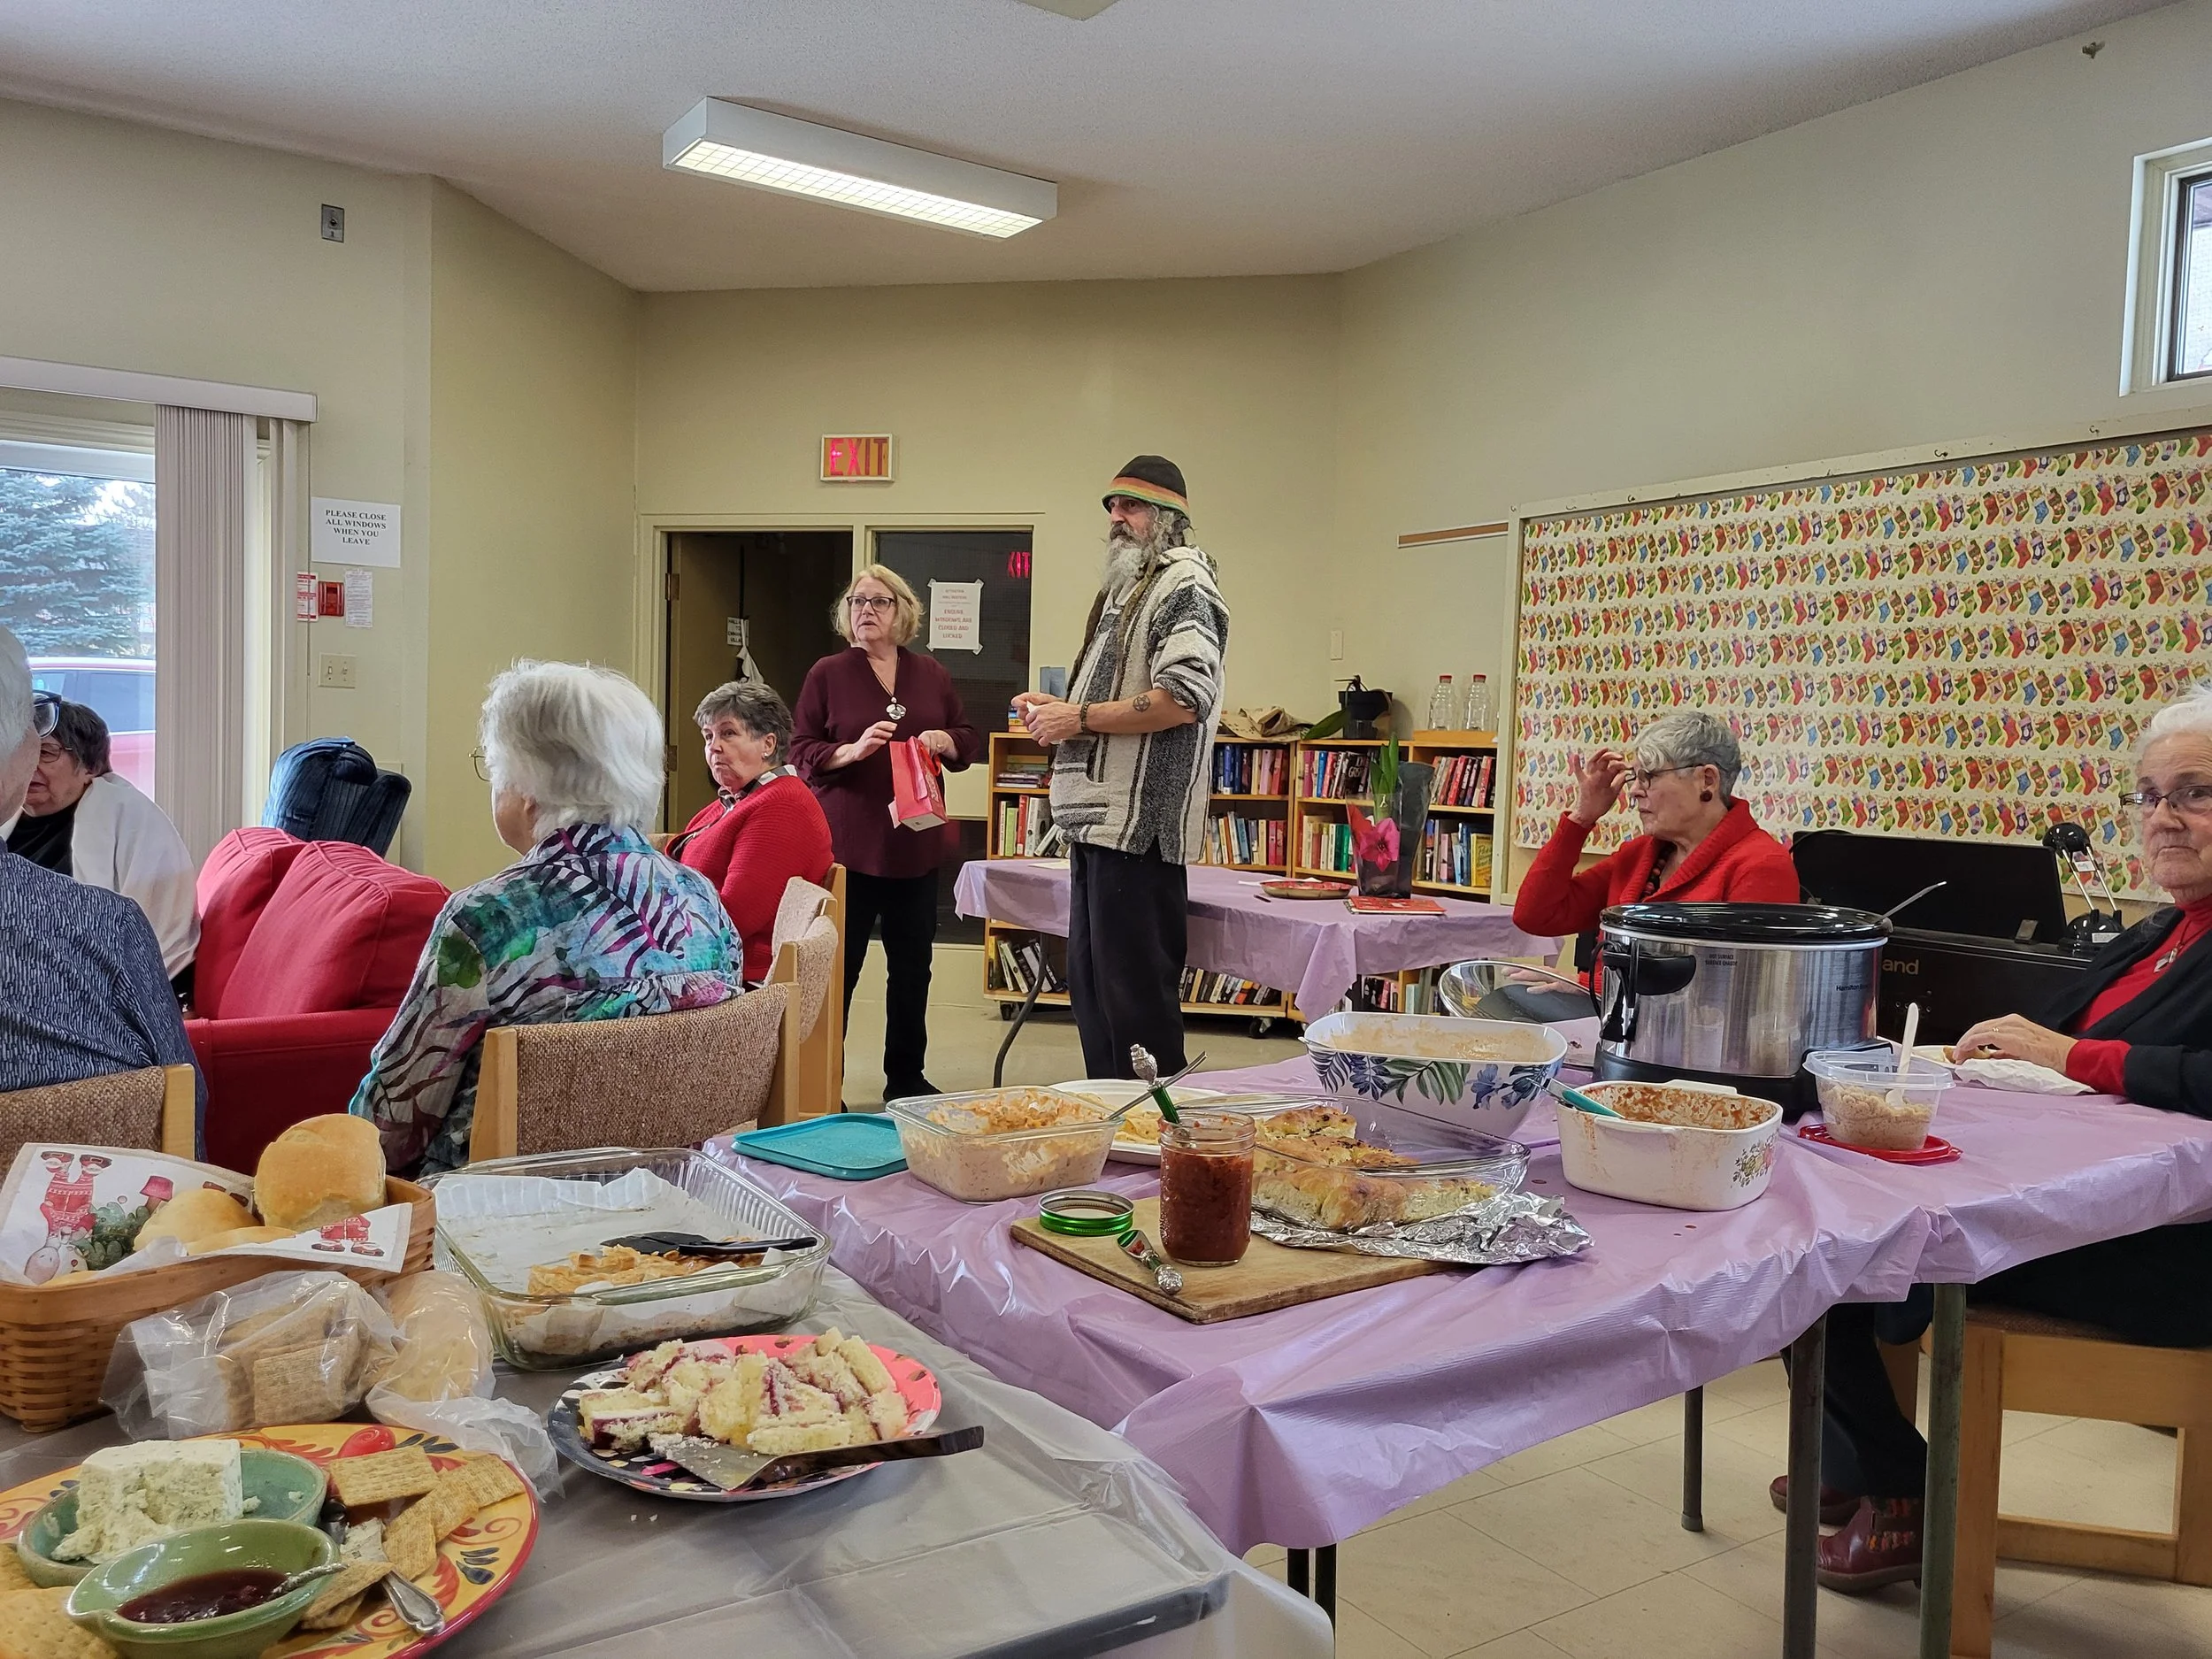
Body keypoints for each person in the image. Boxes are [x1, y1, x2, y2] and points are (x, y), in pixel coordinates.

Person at [1798, 684, 2212, 1592]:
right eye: (2148, 795)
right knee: (1818, 1203)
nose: (2164, 818)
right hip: (2090, 1200)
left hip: (2163, 1247)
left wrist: (2076, 1055)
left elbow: (2116, 1059)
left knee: (1840, 1252)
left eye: (2194, 793)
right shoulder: (2160, 935)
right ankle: (1858, 1462)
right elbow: (2053, 1038)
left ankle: (1898, 1489)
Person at [350, 661, 744, 1179]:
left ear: (527, 784)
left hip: (498, 1217)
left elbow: (393, 1121)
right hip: (671, 1200)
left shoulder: (487, 919)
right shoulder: (702, 900)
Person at [1010, 457, 1228, 1079]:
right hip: (1101, 825)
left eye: (1130, 507)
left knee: (1135, 1010)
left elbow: (1184, 698)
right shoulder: (1132, 586)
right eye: (1111, 506)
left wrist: (1076, 719)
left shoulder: (1184, 582)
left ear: (1169, 519)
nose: (1115, 518)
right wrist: (1060, 709)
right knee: (1097, 998)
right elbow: (1117, 695)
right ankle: (1119, 1141)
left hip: (1139, 828)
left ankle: (1162, 1152)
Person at [791, 565, 979, 1100]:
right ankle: (826, 1083)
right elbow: (800, 749)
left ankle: (905, 1078)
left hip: (914, 847)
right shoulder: (828, 672)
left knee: (912, 970)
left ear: (903, 612)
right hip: (849, 851)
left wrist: (946, 738)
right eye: (856, 602)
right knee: (837, 975)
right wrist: (850, 751)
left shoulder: (932, 675)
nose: (866, 611)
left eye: (879, 601)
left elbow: (968, 736)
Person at [0, 626, 195, 1105]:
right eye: (36, 747)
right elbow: (180, 1106)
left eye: (49, 753)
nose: (35, 769)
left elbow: (152, 949)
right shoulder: (17, 820)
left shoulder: (123, 829)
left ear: (89, 767)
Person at [1511, 710, 1799, 941]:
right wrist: (1581, 819)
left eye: (1649, 776)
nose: (1635, 790)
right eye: (1633, 777)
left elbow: (1738, 992)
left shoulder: (1760, 865)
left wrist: (1600, 991)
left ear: (1707, 780)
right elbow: (1535, 916)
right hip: (1608, 1010)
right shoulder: (1638, 856)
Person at [3, 697, 198, 982]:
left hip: (81, 984)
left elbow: (151, 936)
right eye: (21, 754)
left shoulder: (127, 815)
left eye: (46, 753)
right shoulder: (8, 815)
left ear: (89, 767)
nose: (30, 766)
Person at [672, 680, 833, 986]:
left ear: (768, 744)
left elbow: (735, 917)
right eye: (708, 736)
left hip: (734, 979)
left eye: (728, 733)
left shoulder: (782, 806)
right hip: (699, 962)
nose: (713, 747)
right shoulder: (738, 799)